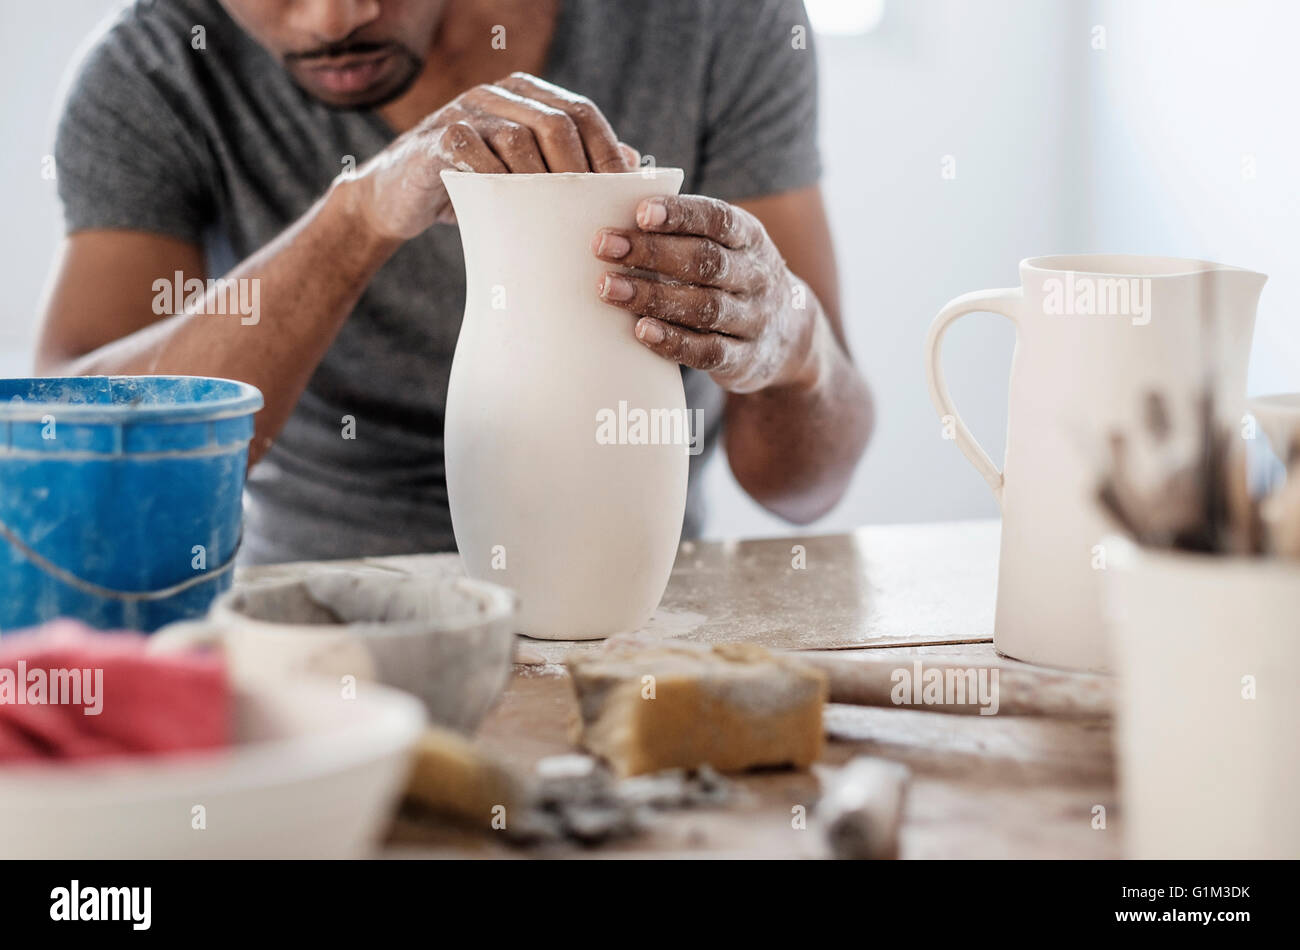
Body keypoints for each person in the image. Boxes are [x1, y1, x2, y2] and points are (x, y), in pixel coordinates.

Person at [38, 0, 873, 563]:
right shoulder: (157, 70)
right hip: (329, 606)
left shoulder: (710, 22)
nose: (338, 16)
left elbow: (804, 491)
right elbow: (71, 483)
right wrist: (357, 218)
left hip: (643, 600)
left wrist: (791, 342)